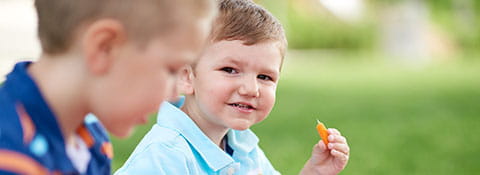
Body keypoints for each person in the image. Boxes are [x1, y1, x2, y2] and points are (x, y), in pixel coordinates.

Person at [114, 0, 350, 174]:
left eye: (265, 77)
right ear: (186, 77)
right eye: (230, 70)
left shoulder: (242, 146)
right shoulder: (164, 156)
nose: (251, 89)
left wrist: (315, 171)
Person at [0, 0, 216, 174]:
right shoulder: (11, 157)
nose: (173, 94)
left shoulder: (92, 141)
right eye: (171, 69)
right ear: (105, 47)